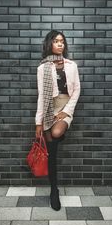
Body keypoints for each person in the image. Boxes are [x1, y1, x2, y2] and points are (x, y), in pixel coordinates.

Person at [35, 30, 80, 211]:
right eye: (56, 41)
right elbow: (41, 97)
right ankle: (54, 190)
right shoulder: (43, 68)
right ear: (50, 44)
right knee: (52, 154)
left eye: (62, 41)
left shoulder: (71, 65)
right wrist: (38, 123)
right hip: (48, 109)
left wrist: (66, 111)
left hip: (64, 106)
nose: (60, 44)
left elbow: (76, 90)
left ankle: (54, 188)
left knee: (56, 132)